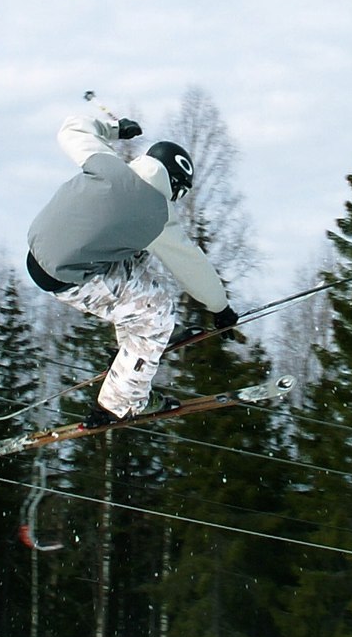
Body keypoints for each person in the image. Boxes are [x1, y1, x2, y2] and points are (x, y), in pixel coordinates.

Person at [26, 114, 239, 428]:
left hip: (38, 255)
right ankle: (121, 402)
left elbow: (71, 128)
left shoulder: (109, 164)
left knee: (136, 255)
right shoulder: (156, 213)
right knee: (158, 313)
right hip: (67, 277)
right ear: (177, 187)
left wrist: (113, 129)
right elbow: (191, 264)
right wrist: (220, 307)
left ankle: (133, 346)